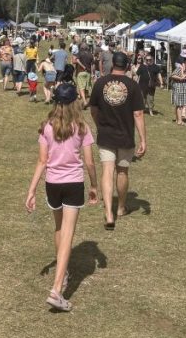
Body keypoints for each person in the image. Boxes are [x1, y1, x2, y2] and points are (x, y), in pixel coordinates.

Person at [26, 83, 98, 312]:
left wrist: (31, 190)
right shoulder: (82, 127)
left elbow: (42, 161)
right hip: (73, 183)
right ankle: (57, 290)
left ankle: (62, 270)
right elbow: (89, 162)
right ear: (75, 101)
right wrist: (94, 185)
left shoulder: (47, 126)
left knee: (59, 229)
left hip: (52, 184)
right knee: (67, 235)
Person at [88, 51, 147, 230]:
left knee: (107, 170)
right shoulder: (133, 85)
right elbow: (138, 113)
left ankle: (108, 213)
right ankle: (120, 207)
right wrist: (143, 139)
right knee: (122, 172)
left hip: (106, 134)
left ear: (112, 64)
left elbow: (93, 109)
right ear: (127, 66)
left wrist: (99, 125)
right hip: (125, 135)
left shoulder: (100, 83)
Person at [170, 60, 186, 125]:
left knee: (179, 105)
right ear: (183, 64)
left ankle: (178, 120)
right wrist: (180, 78)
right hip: (178, 88)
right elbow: (172, 75)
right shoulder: (179, 68)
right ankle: (180, 121)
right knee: (180, 105)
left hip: (183, 88)